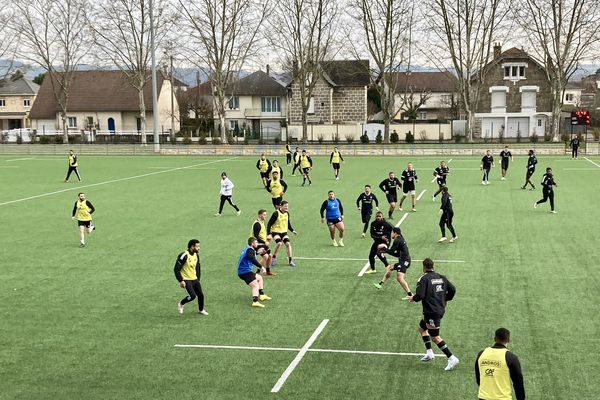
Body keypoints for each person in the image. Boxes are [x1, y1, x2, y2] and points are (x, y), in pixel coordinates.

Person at [408, 258, 459, 371]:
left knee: (435, 337)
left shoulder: (424, 278)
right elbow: (453, 289)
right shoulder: (442, 277)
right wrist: (446, 299)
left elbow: (420, 295)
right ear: (433, 266)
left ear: (424, 267)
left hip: (432, 311)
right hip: (437, 309)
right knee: (422, 329)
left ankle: (451, 357)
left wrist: (413, 298)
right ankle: (429, 353)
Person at [475, 327, 525, 400]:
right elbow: (518, 383)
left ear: (495, 339)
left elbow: (478, 378)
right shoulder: (511, 358)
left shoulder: (481, 354)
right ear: (508, 340)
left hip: (483, 397)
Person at [374, 227, 413, 300]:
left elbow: (391, 251)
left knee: (399, 277)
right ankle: (380, 284)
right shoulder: (400, 239)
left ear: (395, 233)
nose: (391, 234)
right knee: (390, 268)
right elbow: (397, 254)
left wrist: (384, 248)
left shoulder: (397, 240)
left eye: (392, 232)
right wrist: (384, 251)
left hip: (405, 261)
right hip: (403, 260)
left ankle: (410, 294)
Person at [174, 239, 208, 315]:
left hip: (194, 278)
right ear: (192, 247)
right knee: (192, 296)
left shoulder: (196, 255)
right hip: (186, 279)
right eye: (197, 246)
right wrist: (181, 280)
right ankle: (181, 303)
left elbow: (197, 267)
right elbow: (176, 269)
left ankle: (201, 309)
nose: (199, 248)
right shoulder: (184, 255)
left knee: (201, 295)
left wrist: (198, 279)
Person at [237, 237, 272, 308]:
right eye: (256, 242)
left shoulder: (248, 248)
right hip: (245, 272)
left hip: (244, 271)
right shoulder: (250, 250)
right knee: (255, 285)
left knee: (259, 278)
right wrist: (261, 267)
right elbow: (252, 259)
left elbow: (250, 255)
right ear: (252, 243)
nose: (257, 244)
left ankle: (262, 295)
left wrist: (257, 252)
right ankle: (255, 302)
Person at [267, 201, 298, 267]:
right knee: (279, 243)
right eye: (285, 206)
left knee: (288, 243)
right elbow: (269, 224)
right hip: (275, 231)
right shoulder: (276, 213)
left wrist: (292, 230)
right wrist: (269, 234)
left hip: (283, 232)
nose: (287, 207)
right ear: (281, 206)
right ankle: (274, 257)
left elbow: (288, 223)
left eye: (287, 206)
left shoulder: (287, 213)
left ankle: (290, 260)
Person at [251, 209, 275, 276]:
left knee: (270, 256)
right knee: (266, 256)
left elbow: (261, 234)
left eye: (265, 215)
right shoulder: (257, 224)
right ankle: (258, 272)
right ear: (259, 215)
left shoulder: (261, 222)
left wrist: (267, 238)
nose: (265, 216)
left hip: (262, 243)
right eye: (264, 215)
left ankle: (268, 271)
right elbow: (256, 236)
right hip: (256, 244)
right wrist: (264, 241)